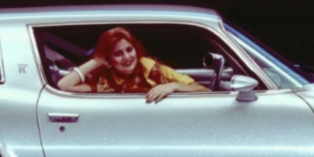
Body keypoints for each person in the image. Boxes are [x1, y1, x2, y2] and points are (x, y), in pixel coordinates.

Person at [57, 27, 209, 104]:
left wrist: (174, 86)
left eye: (129, 50)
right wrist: (97, 61)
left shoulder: (155, 69)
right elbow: (64, 86)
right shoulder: (104, 82)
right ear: (108, 58)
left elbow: (205, 91)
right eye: (118, 53)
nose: (127, 57)